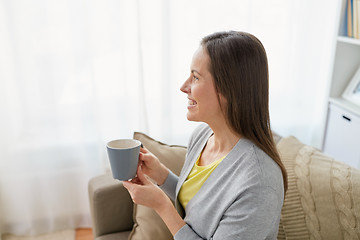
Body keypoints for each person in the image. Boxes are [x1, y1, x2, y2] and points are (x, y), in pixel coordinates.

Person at [123, 31, 288, 240]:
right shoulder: (203, 136)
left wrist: (162, 205)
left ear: (229, 89)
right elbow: (200, 209)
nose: (184, 87)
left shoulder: (260, 183)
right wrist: (160, 175)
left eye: (196, 77)